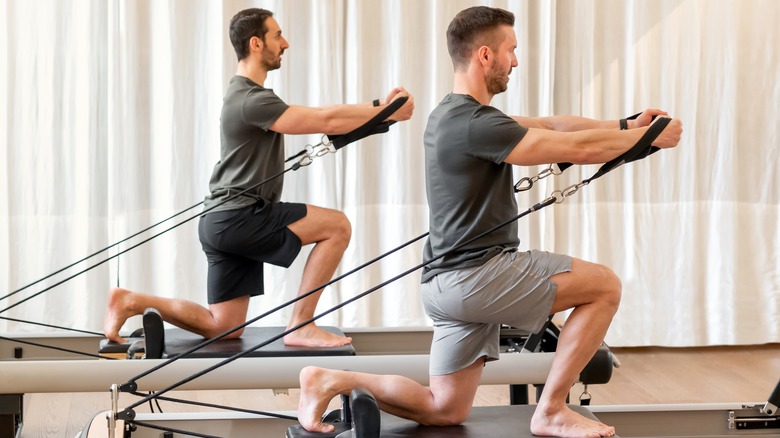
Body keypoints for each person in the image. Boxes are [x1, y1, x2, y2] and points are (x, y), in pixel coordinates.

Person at [298, 5, 681, 437]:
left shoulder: (454, 115)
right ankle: (552, 409)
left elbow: (554, 125)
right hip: (478, 277)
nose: (515, 61)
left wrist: (625, 124)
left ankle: (330, 379)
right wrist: (645, 139)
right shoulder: (475, 124)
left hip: (444, 285)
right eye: (511, 51)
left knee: (444, 409)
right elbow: (576, 148)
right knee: (604, 285)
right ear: (485, 55)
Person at [104, 8, 415, 348]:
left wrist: (381, 107)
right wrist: (387, 111)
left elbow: (327, 117)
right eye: (277, 35)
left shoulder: (246, 96)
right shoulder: (251, 99)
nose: (286, 43)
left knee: (224, 326)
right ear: (256, 43)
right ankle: (301, 325)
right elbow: (325, 119)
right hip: (239, 218)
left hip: (221, 222)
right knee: (337, 226)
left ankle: (131, 301)